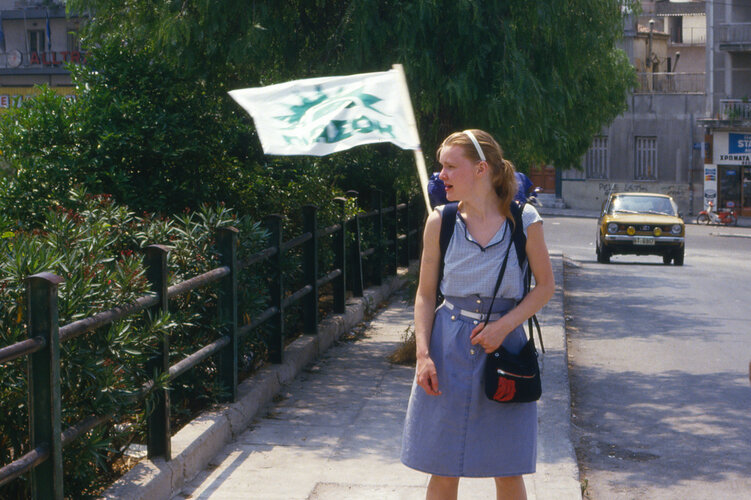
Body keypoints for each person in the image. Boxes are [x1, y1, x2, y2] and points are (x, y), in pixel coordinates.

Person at [401, 129, 554, 500]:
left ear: (481, 169)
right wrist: (423, 356)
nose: (441, 176)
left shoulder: (525, 220)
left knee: (508, 469)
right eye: (440, 167)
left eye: (452, 166)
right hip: (446, 348)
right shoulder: (441, 221)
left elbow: (545, 287)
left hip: (506, 350)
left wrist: (504, 326)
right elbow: (424, 294)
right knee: (443, 468)